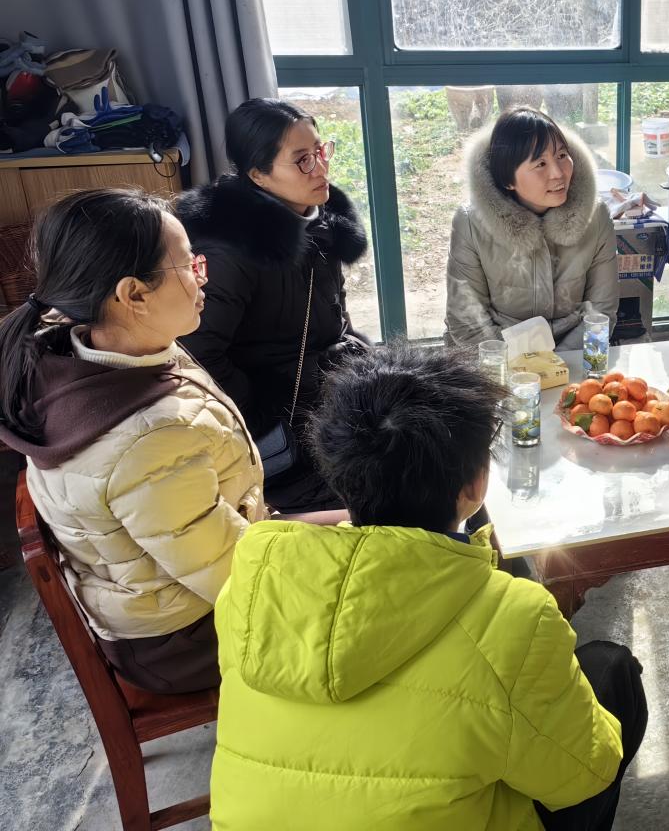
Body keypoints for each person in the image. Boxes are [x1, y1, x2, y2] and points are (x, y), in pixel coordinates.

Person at [211, 345, 647, 830]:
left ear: (339, 474)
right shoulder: (515, 619)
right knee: (611, 670)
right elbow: (584, 775)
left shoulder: (250, 588)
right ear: (475, 486)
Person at [0, 189, 274, 693]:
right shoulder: (150, 440)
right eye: (189, 265)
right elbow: (239, 580)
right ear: (134, 295)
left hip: (180, 581)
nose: (203, 277)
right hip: (186, 637)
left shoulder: (85, 347)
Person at [176, 97, 369, 513]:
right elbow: (197, 354)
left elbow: (334, 322)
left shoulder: (319, 222)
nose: (321, 168)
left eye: (321, 150)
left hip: (330, 400)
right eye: (302, 160)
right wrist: (266, 411)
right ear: (258, 175)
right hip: (284, 435)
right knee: (396, 492)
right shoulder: (229, 250)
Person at [446, 106, 619, 348]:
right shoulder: (470, 222)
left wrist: (563, 362)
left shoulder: (596, 215)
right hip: (497, 355)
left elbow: (601, 314)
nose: (558, 173)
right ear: (507, 179)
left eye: (562, 156)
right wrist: (530, 365)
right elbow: (468, 324)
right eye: (540, 164)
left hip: (574, 351)